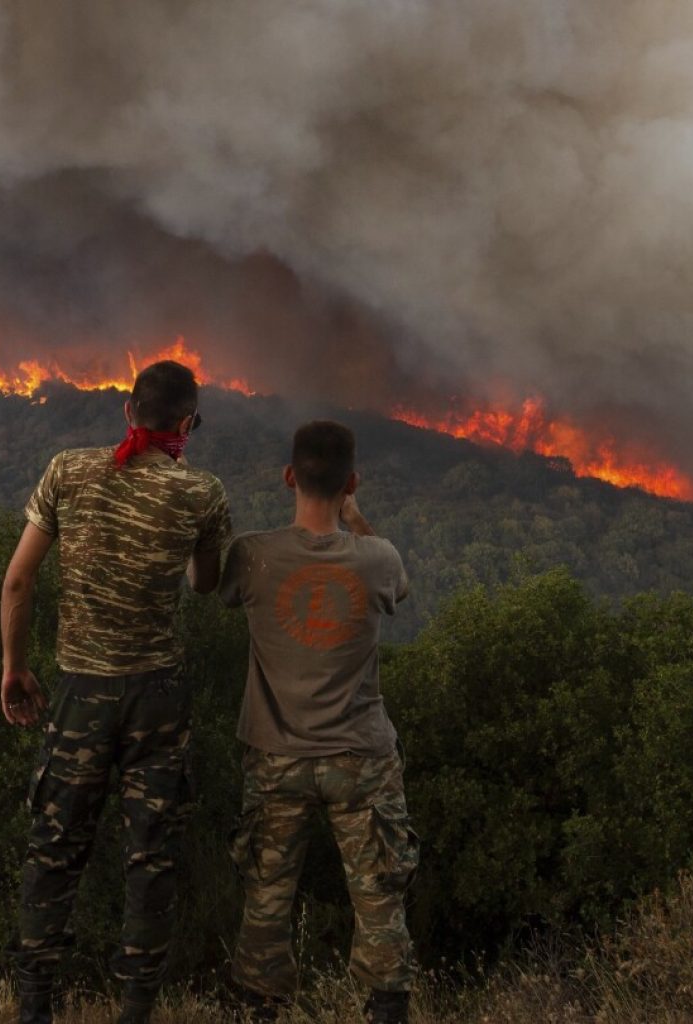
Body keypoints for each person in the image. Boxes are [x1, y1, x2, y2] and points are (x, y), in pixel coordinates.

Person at [0, 360, 232, 1024]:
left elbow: (18, 583)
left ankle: (35, 1007)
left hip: (81, 693)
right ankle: (135, 1011)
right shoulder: (203, 493)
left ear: (129, 413)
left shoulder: (67, 471)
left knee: (54, 851)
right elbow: (205, 584)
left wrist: (14, 667)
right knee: (150, 859)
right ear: (186, 423)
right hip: (158, 698)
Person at [219, 420, 418, 1024]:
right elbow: (399, 590)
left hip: (276, 756)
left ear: (288, 477)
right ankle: (386, 1010)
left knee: (266, 897)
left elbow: (213, 588)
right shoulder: (377, 557)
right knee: (380, 896)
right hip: (360, 758)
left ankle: (259, 1009)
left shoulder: (252, 555)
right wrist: (356, 520)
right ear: (352, 482)